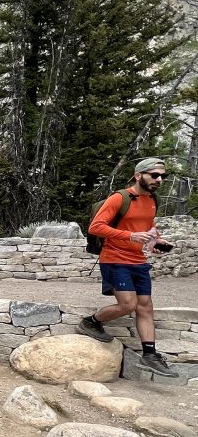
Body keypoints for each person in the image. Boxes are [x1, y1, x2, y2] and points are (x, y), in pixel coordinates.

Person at [77, 157, 177, 376]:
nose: (159, 179)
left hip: (138, 261)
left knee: (145, 306)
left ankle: (150, 355)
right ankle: (90, 323)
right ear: (138, 175)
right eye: (154, 175)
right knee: (128, 304)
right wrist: (130, 236)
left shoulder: (152, 199)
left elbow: (148, 228)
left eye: (163, 176)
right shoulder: (119, 198)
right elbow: (96, 227)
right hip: (114, 258)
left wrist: (155, 242)